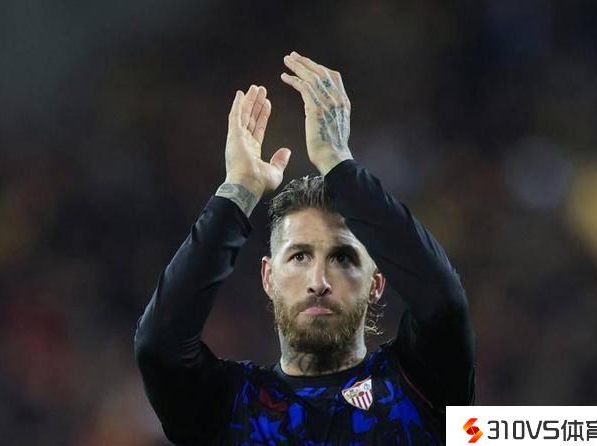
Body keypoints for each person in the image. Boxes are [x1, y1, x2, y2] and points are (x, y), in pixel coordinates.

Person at [134, 51, 476, 445]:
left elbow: (443, 302)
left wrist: (339, 164)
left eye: (342, 258)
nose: (319, 281)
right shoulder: (227, 408)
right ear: (268, 277)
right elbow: (159, 345)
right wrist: (239, 191)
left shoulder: (418, 386)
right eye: (299, 256)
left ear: (376, 284)